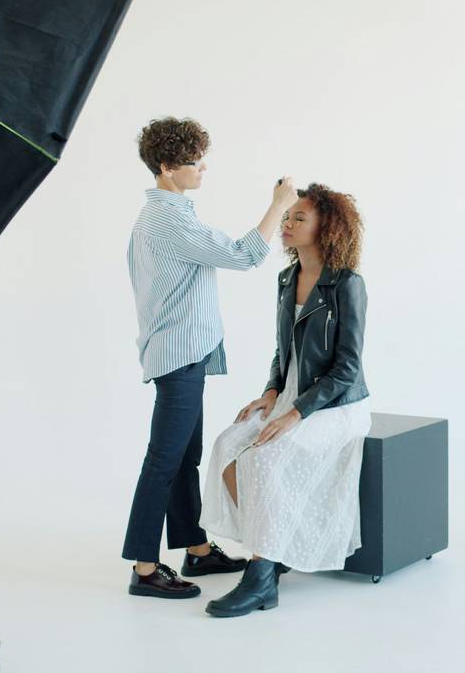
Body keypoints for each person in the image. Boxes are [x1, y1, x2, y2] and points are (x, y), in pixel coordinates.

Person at [123, 116, 299, 599]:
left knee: (184, 458)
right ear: (165, 167)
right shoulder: (168, 218)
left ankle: (196, 551)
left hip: (182, 351)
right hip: (178, 354)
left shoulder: (170, 213)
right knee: (164, 460)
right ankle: (143, 568)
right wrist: (277, 205)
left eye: (202, 157)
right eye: (191, 162)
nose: (202, 168)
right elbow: (244, 255)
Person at [199, 183, 370, 617]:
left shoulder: (346, 284)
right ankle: (271, 555)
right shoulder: (286, 278)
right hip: (291, 397)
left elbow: (347, 368)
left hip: (335, 406)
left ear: (325, 226)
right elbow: (283, 350)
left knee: (265, 459)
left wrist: (296, 412)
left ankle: (260, 578)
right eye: (287, 216)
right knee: (228, 447)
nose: (287, 224)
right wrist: (271, 393)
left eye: (299, 218)